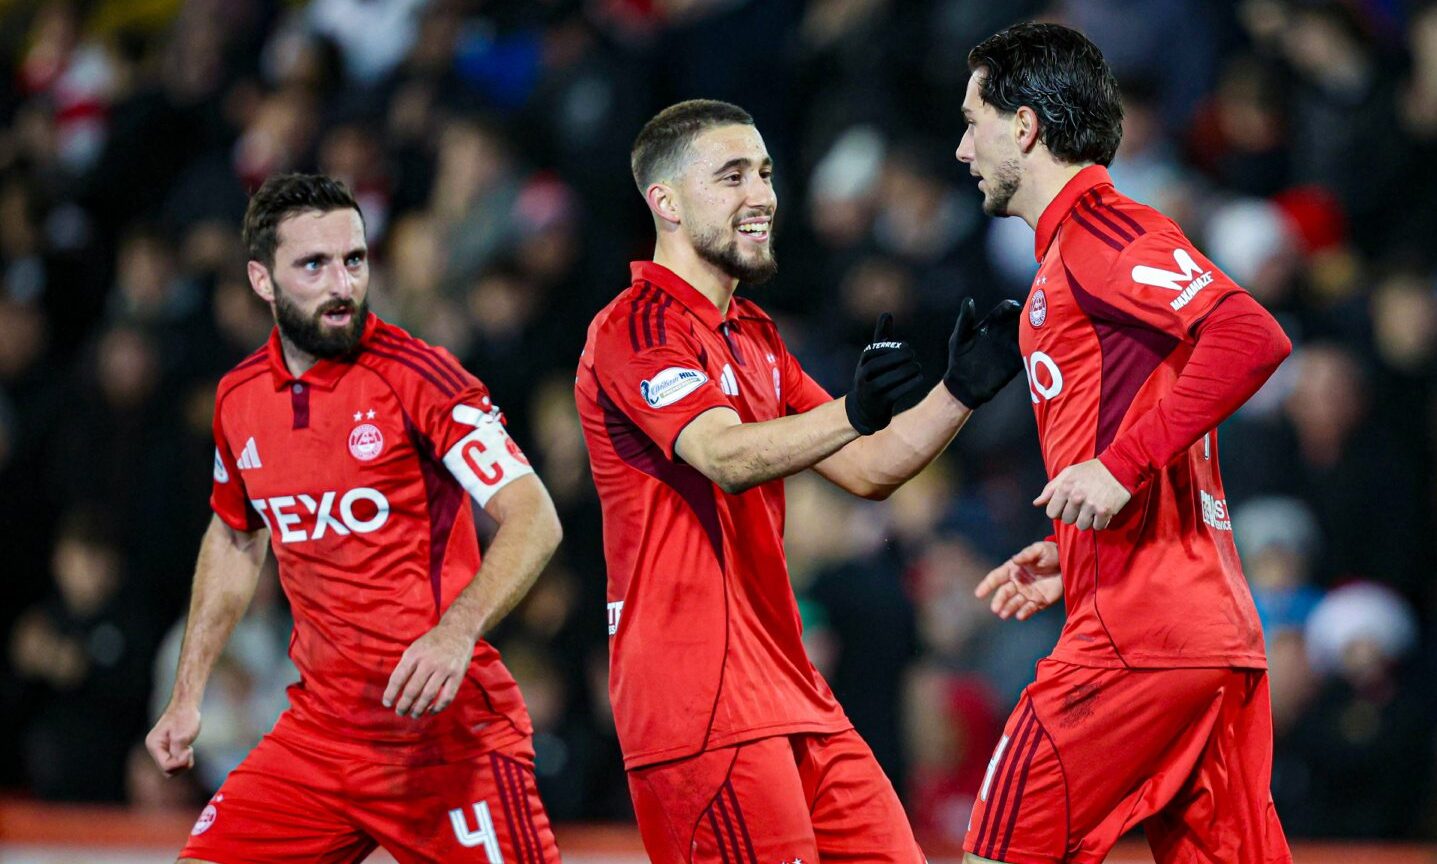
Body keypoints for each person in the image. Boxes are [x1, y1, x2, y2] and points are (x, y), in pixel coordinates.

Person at [574, 98, 1023, 863]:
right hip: (698, 703)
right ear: (666, 203)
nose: (762, 195)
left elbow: (869, 467)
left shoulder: (754, 335)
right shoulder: (634, 327)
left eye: (765, 172)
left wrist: (961, 390)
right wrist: (855, 409)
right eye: (732, 176)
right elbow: (723, 455)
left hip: (791, 690)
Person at [145, 173, 564, 863]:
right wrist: (186, 694)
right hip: (321, 738)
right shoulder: (239, 399)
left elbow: (533, 514)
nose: (341, 283)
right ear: (261, 279)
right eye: (313, 264)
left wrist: (456, 632)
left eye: (354, 260)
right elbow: (233, 535)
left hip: (445, 739)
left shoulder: (422, 378)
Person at [955, 23, 1294, 864]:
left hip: (1138, 641)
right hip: (1202, 637)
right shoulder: (1074, 257)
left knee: (994, 856)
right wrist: (1071, 550)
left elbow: (1249, 336)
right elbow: (1155, 405)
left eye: (972, 121)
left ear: (1024, 127)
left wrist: (1117, 466)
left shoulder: (1103, 234)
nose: (961, 148)